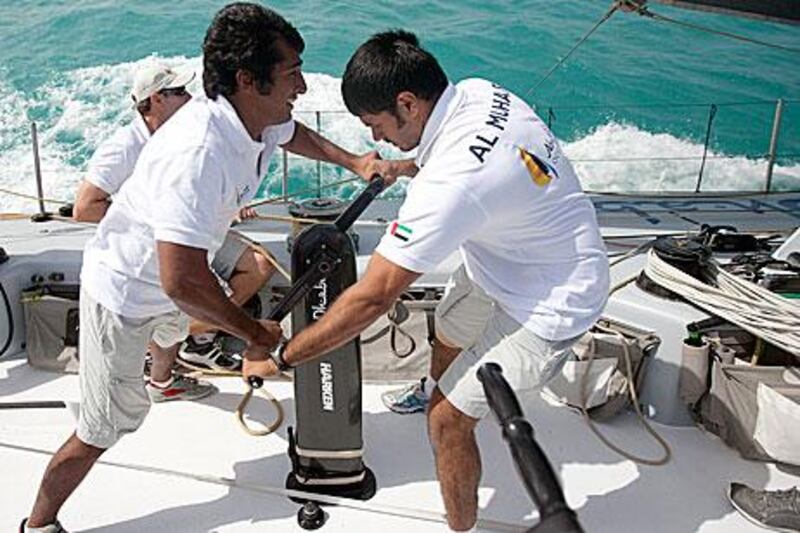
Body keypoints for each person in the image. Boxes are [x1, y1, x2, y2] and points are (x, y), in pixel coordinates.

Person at [22, 4, 387, 531]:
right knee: (102, 429)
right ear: (247, 79)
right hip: (125, 296)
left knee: (177, 325)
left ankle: (164, 380)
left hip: (166, 286)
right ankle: (37, 522)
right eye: (291, 74)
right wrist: (252, 333)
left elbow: (290, 134)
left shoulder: (254, 118)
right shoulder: (197, 154)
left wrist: (356, 163)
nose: (303, 86)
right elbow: (183, 281)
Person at [243, 31, 610, 532]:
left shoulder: (451, 185)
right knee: (448, 331)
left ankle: (461, 525)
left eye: (375, 125)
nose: (375, 139)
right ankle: (438, 384)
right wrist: (405, 166)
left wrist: (283, 355)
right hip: (507, 261)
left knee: (447, 421)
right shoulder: (479, 92)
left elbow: (373, 297)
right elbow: (469, 152)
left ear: (408, 103)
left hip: (552, 302)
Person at [74, 61, 273, 375]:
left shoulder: (187, 135)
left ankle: (185, 346)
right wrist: (162, 219)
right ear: (155, 99)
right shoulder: (123, 146)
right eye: (179, 92)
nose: (190, 98)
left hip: (198, 232)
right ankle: (194, 339)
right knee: (187, 285)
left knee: (257, 266)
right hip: (151, 248)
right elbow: (84, 207)